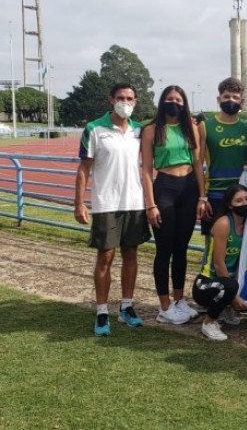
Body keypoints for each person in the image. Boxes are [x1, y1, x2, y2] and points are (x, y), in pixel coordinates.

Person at [74, 83, 151, 336]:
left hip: (134, 202)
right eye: (120, 98)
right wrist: (79, 202)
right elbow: (84, 168)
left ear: (136, 102)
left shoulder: (140, 130)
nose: (125, 102)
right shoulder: (95, 128)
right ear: (111, 100)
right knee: (105, 257)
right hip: (106, 203)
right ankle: (102, 311)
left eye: (129, 98)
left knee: (131, 255)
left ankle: (127, 307)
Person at [140, 85, 206, 325]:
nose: (174, 103)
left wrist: (202, 196)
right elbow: (147, 170)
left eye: (178, 99)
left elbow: (198, 164)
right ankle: (165, 305)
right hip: (164, 189)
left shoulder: (192, 128)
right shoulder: (151, 130)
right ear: (162, 102)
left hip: (188, 189)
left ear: (184, 103)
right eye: (169, 99)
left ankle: (179, 300)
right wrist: (151, 204)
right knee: (164, 249)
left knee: (182, 249)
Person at [198, 77, 247, 273]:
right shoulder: (206, 127)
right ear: (218, 99)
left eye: (235, 97)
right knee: (213, 245)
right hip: (215, 195)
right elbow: (198, 163)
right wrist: (202, 197)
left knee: (242, 244)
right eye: (226, 96)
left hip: (242, 196)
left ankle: (237, 288)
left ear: (242, 102)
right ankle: (208, 286)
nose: (231, 100)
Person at [193, 184, 247, 341]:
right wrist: (234, 298)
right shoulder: (224, 223)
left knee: (233, 284)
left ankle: (224, 308)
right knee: (230, 286)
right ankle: (209, 322)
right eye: (239, 201)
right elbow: (219, 263)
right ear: (229, 205)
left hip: (227, 281)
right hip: (205, 284)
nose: (244, 203)